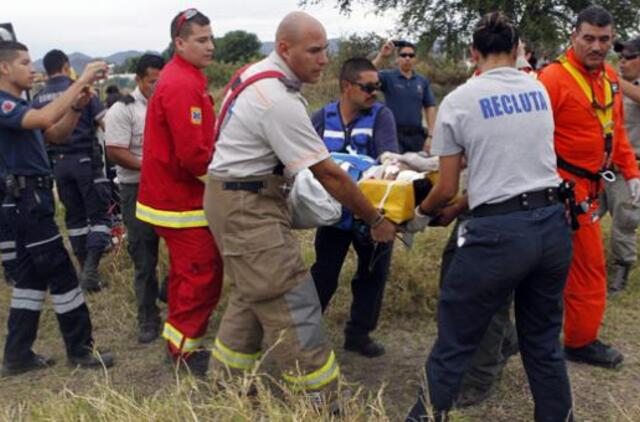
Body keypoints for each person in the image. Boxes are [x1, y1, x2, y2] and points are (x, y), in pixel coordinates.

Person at [204, 11, 396, 397]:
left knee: (253, 294)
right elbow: (330, 175)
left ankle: (225, 387)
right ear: (284, 48)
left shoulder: (255, 75)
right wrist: (375, 218)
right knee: (293, 301)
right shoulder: (278, 100)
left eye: (325, 49)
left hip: (237, 197)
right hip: (248, 205)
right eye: (313, 50)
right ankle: (322, 401)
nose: (323, 58)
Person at [404, 12, 573, 421]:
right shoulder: (537, 90)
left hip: (498, 235)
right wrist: (461, 205)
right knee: (543, 342)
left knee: (455, 341)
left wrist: (421, 216)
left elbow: (445, 187)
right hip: (552, 224)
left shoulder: (460, 101)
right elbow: (510, 174)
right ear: (517, 50)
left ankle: (425, 416)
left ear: (472, 54)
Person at [0, 40, 114, 376]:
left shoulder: (21, 105)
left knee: (30, 280)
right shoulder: (5, 105)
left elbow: (56, 133)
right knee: (63, 274)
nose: (31, 67)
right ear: (4, 68)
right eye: (24, 62)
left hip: (30, 199)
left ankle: (17, 354)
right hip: (26, 202)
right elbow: (47, 116)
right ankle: (81, 350)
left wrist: (78, 107)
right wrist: (81, 80)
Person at [538, 5, 640, 369]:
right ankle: (578, 341)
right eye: (589, 38)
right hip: (560, 189)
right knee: (583, 268)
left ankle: (572, 336)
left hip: (591, 186)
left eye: (604, 39)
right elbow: (531, 138)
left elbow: (616, 133)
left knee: (571, 268)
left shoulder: (610, 78)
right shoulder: (551, 79)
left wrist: (631, 172)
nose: (597, 46)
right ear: (574, 37)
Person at [136, 9, 223, 375]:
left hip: (177, 199)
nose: (211, 46)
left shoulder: (185, 76)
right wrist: (226, 184)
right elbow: (193, 155)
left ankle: (180, 342)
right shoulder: (182, 83)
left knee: (189, 276)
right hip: (180, 202)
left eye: (210, 38)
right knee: (201, 275)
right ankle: (183, 353)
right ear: (180, 42)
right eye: (201, 40)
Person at [309, 57, 398, 358]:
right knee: (323, 273)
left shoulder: (381, 116)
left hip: (372, 217)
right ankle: (305, 335)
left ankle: (358, 335)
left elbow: (389, 157)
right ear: (346, 87)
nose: (375, 92)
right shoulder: (322, 117)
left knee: (372, 276)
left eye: (378, 86)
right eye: (368, 86)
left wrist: (389, 165)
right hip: (332, 216)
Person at [32, 49, 111, 293]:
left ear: (47, 70)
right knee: (99, 217)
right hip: (86, 161)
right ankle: (90, 269)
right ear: (66, 66)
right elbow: (105, 122)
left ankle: (83, 269)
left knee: (75, 219)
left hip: (59, 166)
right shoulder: (81, 90)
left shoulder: (39, 98)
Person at [105, 54, 165, 344]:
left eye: (161, 80)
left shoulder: (167, 103)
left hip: (169, 189)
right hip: (138, 190)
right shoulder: (123, 109)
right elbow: (115, 150)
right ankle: (147, 318)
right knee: (144, 256)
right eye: (153, 81)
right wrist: (152, 166)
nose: (157, 86)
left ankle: (170, 297)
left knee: (185, 249)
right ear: (139, 80)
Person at [599, 37, 640, 294]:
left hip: (630, 168)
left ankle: (622, 269)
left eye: (629, 57)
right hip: (603, 167)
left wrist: (613, 78)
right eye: (620, 58)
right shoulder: (614, 86)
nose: (622, 62)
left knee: (624, 222)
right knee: (584, 218)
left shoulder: (623, 85)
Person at [372, 40, 436, 153]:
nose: (407, 58)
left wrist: (431, 136)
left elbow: (430, 107)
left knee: (418, 169)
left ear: (415, 59)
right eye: (403, 55)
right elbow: (366, 73)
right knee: (395, 168)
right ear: (397, 58)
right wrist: (381, 55)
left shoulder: (422, 81)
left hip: (417, 137)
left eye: (411, 55)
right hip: (394, 135)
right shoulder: (388, 77)